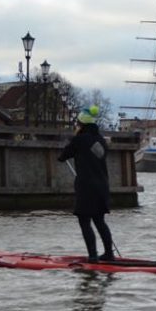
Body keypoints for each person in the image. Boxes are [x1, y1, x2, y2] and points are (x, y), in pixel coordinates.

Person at [59, 105, 116, 262]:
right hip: (102, 186)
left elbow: (63, 156)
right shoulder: (101, 141)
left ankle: (92, 256)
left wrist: (73, 140)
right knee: (99, 221)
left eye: (78, 124)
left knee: (84, 220)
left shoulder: (79, 139)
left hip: (86, 187)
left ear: (82, 125)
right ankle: (109, 254)